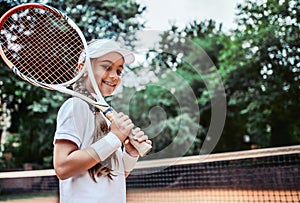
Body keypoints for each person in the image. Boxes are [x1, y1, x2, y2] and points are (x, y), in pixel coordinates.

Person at [53, 39, 151, 203]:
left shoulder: (105, 116)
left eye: (119, 71)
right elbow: (62, 167)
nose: (114, 76)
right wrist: (114, 138)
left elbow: (112, 176)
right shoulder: (74, 107)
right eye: (107, 67)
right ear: (82, 68)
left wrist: (130, 154)